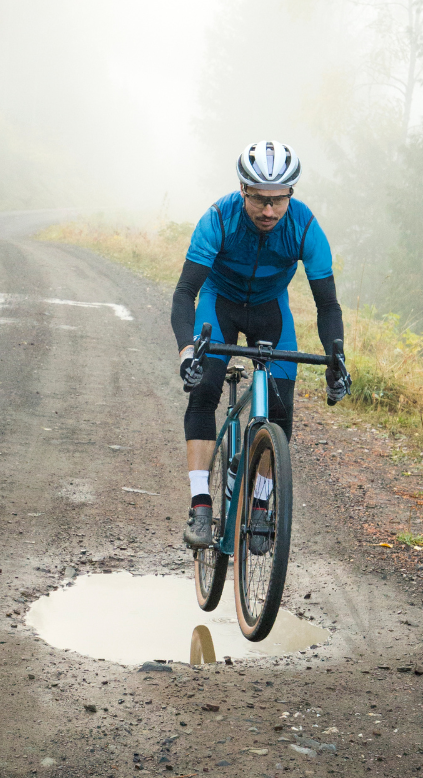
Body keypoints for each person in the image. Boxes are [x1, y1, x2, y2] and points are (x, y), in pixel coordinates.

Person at [172, 140, 352, 549]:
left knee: (281, 406)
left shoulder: (305, 226)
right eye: (259, 200)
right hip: (219, 304)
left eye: (278, 200)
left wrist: (336, 358)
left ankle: (260, 501)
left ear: (291, 194)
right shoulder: (218, 219)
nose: (269, 211)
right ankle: (200, 506)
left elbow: (328, 305)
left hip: (271, 309)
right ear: (243, 190)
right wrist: (187, 351)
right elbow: (185, 293)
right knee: (203, 391)